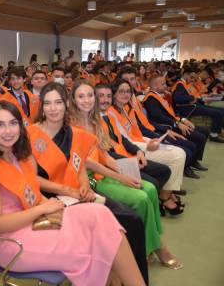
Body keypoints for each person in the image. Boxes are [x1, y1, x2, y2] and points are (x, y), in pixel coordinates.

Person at [0, 100, 146, 286]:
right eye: (0, 125)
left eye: (12, 123)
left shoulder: (18, 155)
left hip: (35, 221)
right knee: (94, 245)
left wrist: (55, 207)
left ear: (20, 125)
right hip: (12, 242)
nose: (7, 131)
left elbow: (32, 192)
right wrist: (43, 209)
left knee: (101, 216)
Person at [29, 83, 149, 283]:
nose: (53, 108)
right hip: (50, 197)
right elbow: (32, 178)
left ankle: (129, 278)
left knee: (133, 220)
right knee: (122, 221)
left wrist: (84, 185)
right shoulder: (31, 134)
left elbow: (81, 165)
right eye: (48, 103)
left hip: (79, 193)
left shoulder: (73, 133)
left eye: (58, 102)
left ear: (67, 104)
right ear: (41, 106)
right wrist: (69, 190)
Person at [68, 80, 183, 268]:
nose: (87, 100)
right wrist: (121, 177)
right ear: (73, 100)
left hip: (104, 172)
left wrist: (124, 171)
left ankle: (151, 244)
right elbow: (87, 162)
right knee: (140, 198)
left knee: (151, 188)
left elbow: (103, 153)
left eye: (90, 95)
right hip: (87, 178)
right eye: (81, 96)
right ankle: (156, 247)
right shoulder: (71, 126)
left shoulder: (95, 121)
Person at [109, 79, 186, 215]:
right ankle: (165, 196)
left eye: (128, 91)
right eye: (121, 91)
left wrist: (151, 139)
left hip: (137, 143)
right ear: (113, 93)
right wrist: (145, 146)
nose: (125, 94)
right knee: (178, 155)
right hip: (130, 149)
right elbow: (123, 141)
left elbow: (136, 132)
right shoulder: (111, 112)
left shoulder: (126, 108)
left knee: (179, 151)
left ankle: (166, 193)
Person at [143, 76, 209, 172]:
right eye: (163, 84)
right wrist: (177, 123)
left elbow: (171, 113)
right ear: (155, 86)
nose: (166, 86)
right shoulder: (151, 99)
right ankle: (188, 165)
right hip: (166, 127)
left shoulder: (160, 96)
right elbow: (159, 117)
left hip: (174, 122)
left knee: (204, 131)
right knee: (199, 137)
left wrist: (183, 120)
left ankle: (194, 160)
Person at [172, 67, 224, 142]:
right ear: (185, 74)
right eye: (191, 77)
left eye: (194, 78)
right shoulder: (180, 84)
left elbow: (189, 97)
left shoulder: (184, 84)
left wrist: (199, 100)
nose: (192, 80)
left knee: (222, 110)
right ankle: (214, 135)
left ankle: (219, 131)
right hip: (187, 108)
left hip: (192, 105)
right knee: (218, 113)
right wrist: (192, 98)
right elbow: (177, 98)